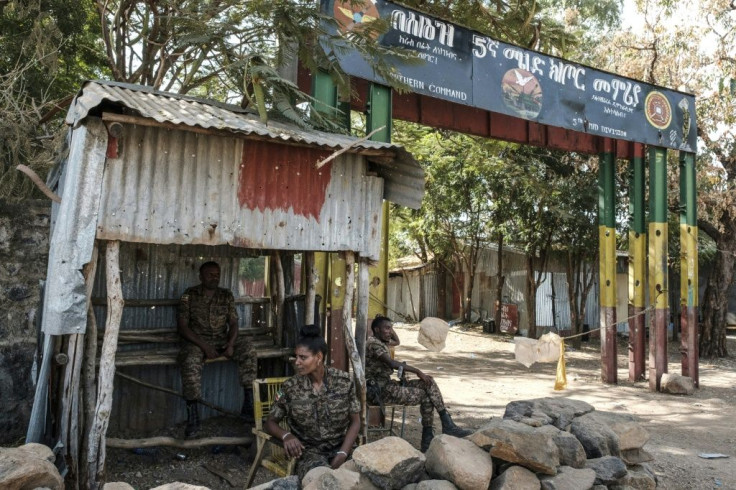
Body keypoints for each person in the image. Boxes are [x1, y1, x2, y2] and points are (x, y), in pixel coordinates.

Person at [264, 324, 361, 481]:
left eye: (303, 357)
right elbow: (269, 423)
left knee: (364, 478)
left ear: (319, 357)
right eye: (296, 357)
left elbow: (355, 422)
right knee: (321, 480)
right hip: (309, 453)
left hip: (342, 446)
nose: (297, 362)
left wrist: (343, 453)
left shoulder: (344, 382)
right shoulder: (290, 387)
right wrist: (286, 435)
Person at [366, 316, 472, 452]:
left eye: (391, 328)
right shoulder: (373, 343)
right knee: (425, 396)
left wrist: (388, 328)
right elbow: (392, 364)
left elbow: (397, 341)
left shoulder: (382, 341)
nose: (390, 331)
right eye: (387, 328)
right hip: (379, 391)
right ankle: (429, 437)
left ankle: (447, 423)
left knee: (428, 382)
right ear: (376, 329)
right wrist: (417, 371)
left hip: (387, 385)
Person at [177, 261, 257, 438]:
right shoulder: (189, 295)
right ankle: (193, 417)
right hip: (197, 342)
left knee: (248, 349)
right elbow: (183, 327)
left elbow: (234, 323)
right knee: (190, 360)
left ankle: (248, 405)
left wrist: (230, 344)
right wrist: (204, 346)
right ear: (201, 276)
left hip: (222, 340)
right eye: (210, 274)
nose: (215, 278)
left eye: (217, 274)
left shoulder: (225, 295)